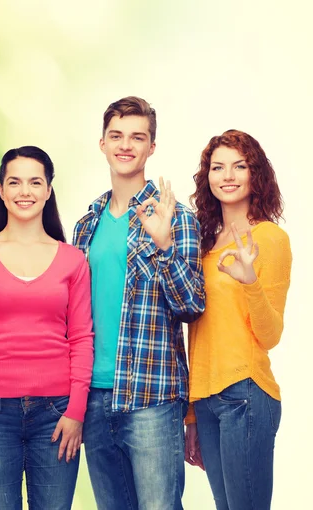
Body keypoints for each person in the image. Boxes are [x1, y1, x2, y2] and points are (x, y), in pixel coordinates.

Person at [72, 96, 205, 510]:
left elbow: (191, 304)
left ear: (152, 147)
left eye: (137, 137)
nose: (125, 145)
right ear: (102, 144)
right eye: (116, 136)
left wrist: (163, 243)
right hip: (94, 396)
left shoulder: (176, 217)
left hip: (151, 394)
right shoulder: (86, 223)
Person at [0, 145, 94, 510]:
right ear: (1, 190)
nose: (24, 191)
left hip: (58, 411)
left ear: (48, 190)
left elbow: (81, 337)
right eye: (14, 182)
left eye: (35, 182)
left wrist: (76, 410)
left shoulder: (72, 259)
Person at [185, 129, 291, 510]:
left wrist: (250, 283)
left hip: (245, 394)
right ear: (207, 176)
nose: (227, 175)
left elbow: (270, 334)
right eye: (218, 167)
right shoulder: (204, 243)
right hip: (208, 400)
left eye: (239, 166)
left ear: (254, 174)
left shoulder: (269, 239)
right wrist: (192, 413)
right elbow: (197, 331)